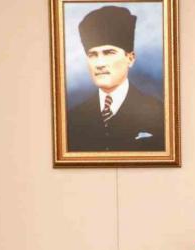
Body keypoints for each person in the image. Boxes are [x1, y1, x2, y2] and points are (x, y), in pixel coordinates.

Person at [66, 6, 164, 152]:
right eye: (93, 55)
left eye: (109, 53)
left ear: (130, 58)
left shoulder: (159, 113)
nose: (100, 64)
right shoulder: (73, 118)